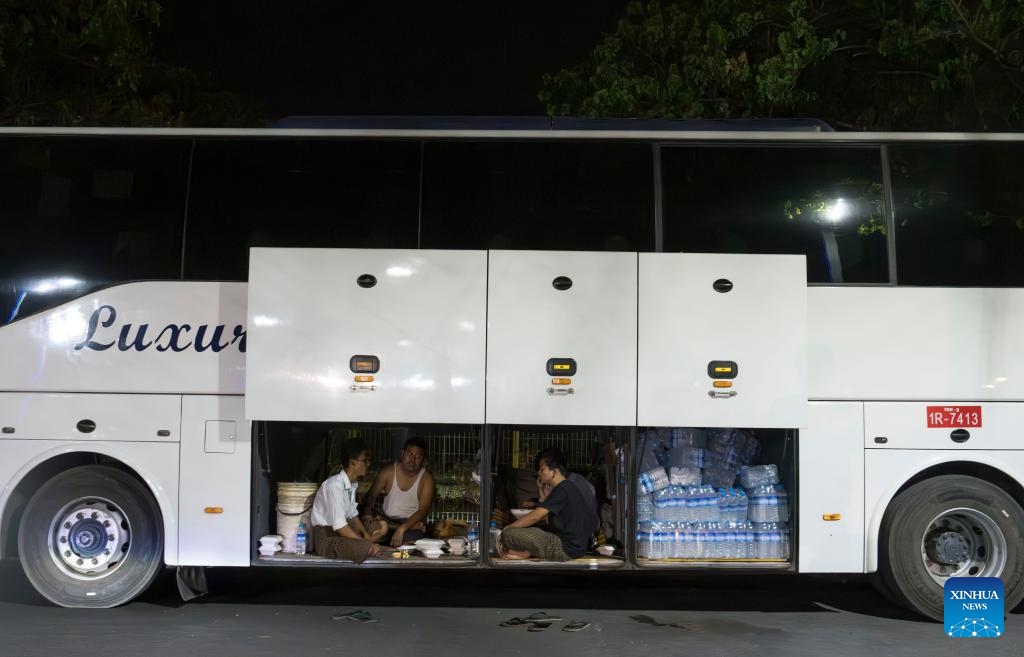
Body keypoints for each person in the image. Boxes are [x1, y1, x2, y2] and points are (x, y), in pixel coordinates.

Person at [498, 447, 599, 561]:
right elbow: (548, 518)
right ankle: (525, 553)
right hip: (573, 548)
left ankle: (523, 552)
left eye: (542, 470)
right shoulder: (567, 487)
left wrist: (509, 527)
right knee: (532, 531)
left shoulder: (563, 489)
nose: (539, 473)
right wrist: (542, 490)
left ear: (554, 472)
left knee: (509, 533)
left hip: (563, 548)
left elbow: (537, 516)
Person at [310, 438, 387, 563]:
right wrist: (365, 543)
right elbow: (340, 526)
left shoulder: (351, 485)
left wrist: (367, 537)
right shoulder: (334, 485)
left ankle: (368, 546)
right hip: (328, 540)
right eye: (365, 460)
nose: (368, 464)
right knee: (365, 547)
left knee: (372, 529)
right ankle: (368, 548)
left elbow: (352, 514)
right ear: (352, 463)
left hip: (339, 535)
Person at [361, 436, 436, 547]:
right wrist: (368, 515)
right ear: (402, 453)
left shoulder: (426, 478)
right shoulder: (388, 472)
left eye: (418, 457)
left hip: (411, 523)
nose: (413, 460)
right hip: (387, 520)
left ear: (423, 460)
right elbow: (370, 497)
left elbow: (423, 510)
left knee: (408, 545)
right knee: (373, 535)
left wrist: (402, 528)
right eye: (409, 454)